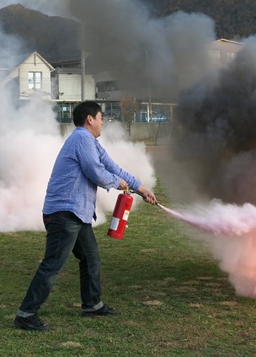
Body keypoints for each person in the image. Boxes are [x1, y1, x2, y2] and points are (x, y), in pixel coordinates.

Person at [14, 101, 158, 331]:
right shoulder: (81, 139)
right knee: (53, 264)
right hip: (64, 214)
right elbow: (96, 171)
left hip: (77, 214)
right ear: (89, 119)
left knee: (91, 257)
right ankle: (26, 313)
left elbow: (113, 167)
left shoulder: (91, 142)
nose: (103, 122)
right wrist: (117, 184)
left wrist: (141, 188)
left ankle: (92, 304)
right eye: (101, 117)